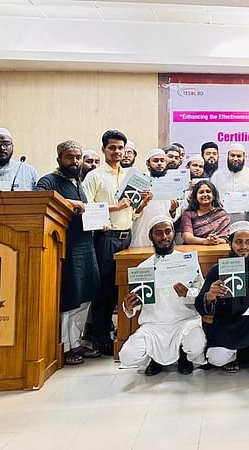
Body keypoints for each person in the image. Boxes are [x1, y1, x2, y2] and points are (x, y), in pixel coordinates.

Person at [35, 141, 101, 365]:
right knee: (71, 298)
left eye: (77, 157)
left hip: (86, 244)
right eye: (69, 157)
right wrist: (68, 202)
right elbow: (39, 202)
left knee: (86, 297)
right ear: (59, 160)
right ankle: (64, 346)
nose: (74, 162)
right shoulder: (48, 181)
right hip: (65, 246)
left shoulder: (79, 182)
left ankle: (77, 343)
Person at [196, 221, 249, 378]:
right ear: (230, 243)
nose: (243, 247)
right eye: (238, 242)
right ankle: (233, 356)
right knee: (216, 359)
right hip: (226, 324)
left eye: (248, 242)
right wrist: (210, 296)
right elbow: (200, 304)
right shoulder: (218, 270)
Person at [120, 216, 206, 375]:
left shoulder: (186, 261)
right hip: (154, 325)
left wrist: (188, 293)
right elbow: (136, 303)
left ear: (174, 233)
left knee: (196, 344)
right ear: (151, 236)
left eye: (168, 231)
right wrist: (128, 305)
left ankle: (183, 356)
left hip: (185, 321)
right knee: (127, 356)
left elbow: (201, 292)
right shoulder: (144, 267)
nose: (164, 237)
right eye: (158, 233)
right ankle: (155, 358)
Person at [82, 129, 138, 355]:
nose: (117, 152)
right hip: (106, 238)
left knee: (122, 288)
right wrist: (116, 206)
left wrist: (141, 203)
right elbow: (85, 208)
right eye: (112, 147)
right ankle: (100, 338)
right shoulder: (94, 176)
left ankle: (121, 332)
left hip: (128, 236)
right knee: (104, 289)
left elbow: (132, 212)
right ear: (104, 149)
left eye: (120, 148)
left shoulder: (131, 176)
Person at [130, 148, 183, 248]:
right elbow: (131, 213)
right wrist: (143, 204)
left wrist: (173, 211)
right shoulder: (139, 181)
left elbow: (175, 214)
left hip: (164, 234)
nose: (159, 163)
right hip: (142, 230)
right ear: (148, 163)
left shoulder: (171, 182)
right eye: (155, 161)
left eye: (162, 161)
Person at [210, 143, 249, 221]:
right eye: (232, 155)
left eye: (239, 156)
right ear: (227, 156)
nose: (235, 158)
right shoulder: (217, 175)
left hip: (246, 218)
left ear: (244, 157)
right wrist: (216, 202)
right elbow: (212, 196)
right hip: (222, 220)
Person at [179, 180, 230, 245]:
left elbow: (226, 239)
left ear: (214, 196)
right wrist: (205, 241)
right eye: (201, 192)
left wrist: (216, 240)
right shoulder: (188, 214)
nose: (205, 194)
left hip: (218, 249)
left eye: (208, 192)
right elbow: (187, 237)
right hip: (195, 250)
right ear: (195, 197)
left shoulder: (222, 214)